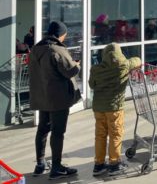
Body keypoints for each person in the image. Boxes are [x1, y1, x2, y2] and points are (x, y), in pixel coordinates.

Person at [28, 21, 80, 179]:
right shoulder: (57, 49)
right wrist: (77, 64)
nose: (65, 37)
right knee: (58, 132)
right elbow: (69, 71)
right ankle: (56, 168)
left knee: (42, 130)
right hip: (58, 98)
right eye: (64, 34)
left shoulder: (36, 49)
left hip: (42, 96)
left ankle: (40, 164)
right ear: (60, 34)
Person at [88, 43, 141, 176]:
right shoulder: (124, 65)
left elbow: (91, 85)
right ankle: (114, 164)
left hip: (99, 108)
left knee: (100, 135)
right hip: (114, 108)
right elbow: (138, 60)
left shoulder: (96, 69)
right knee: (115, 135)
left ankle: (99, 164)